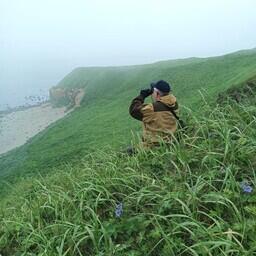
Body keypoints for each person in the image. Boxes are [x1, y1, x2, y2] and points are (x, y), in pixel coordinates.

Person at [129, 80, 179, 147]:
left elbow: (133, 111)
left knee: (124, 153)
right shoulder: (174, 103)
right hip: (171, 141)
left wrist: (141, 96)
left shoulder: (153, 108)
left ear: (157, 93)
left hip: (155, 145)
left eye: (153, 91)